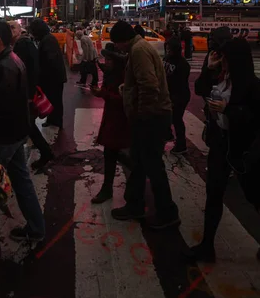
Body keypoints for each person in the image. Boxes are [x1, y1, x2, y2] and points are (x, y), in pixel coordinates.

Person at [186, 38, 260, 263]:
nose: (222, 63)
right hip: (220, 145)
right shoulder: (221, 78)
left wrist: (229, 109)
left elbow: (255, 118)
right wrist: (209, 69)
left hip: (242, 150)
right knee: (214, 195)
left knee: (254, 196)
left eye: (225, 59)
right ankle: (207, 246)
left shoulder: (253, 85)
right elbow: (199, 89)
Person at [110, 21, 180, 229]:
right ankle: (135, 205)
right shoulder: (138, 48)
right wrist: (128, 89)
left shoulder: (139, 51)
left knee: (152, 165)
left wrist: (142, 116)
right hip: (152, 115)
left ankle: (167, 212)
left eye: (117, 44)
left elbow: (149, 86)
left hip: (151, 117)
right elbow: (142, 83)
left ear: (123, 40)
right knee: (140, 163)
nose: (118, 48)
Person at [0, 22, 45, 243]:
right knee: (21, 181)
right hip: (17, 134)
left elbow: (1, 108)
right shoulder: (13, 60)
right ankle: (36, 227)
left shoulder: (5, 66)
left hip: (3, 137)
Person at [9, 21, 55, 171]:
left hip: (25, 94)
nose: (9, 30)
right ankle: (44, 152)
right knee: (28, 125)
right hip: (25, 92)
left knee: (27, 125)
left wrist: (29, 94)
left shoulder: (23, 44)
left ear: (19, 30)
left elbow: (29, 70)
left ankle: (45, 152)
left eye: (12, 27)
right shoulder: (23, 43)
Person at [91, 43, 130, 204]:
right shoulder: (110, 74)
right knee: (110, 154)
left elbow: (124, 100)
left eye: (108, 60)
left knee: (120, 155)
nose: (106, 62)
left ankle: (131, 192)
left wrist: (104, 93)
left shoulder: (124, 75)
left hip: (122, 122)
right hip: (111, 120)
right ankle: (107, 188)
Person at [30, 19, 67, 129]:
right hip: (54, 78)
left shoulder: (48, 40)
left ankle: (56, 121)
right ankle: (52, 120)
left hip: (53, 78)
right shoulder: (47, 39)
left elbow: (50, 61)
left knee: (55, 100)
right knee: (53, 100)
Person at [163, 37, 191, 155]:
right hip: (168, 93)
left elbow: (180, 82)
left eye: (170, 48)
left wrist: (174, 98)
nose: (168, 50)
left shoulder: (182, 64)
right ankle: (167, 135)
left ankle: (181, 144)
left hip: (179, 95)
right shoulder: (166, 58)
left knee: (177, 119)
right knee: (167, 118)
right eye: (167, 48)